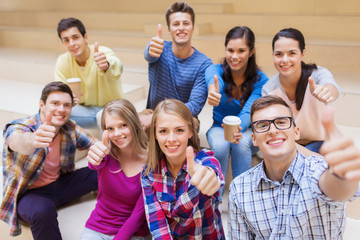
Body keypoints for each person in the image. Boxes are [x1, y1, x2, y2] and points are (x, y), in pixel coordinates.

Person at [228, 95, 360, 239]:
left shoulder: (317, 170)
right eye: (262, 125)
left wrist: (342, 175)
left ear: (296, 132)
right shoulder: (240, 188)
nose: (272, 130)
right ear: (254, 139)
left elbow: (337, 188)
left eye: (281, 122)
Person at [0, 82, 98, 239]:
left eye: (67, 105)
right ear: (42, 105)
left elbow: (95, 145)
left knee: (100, 172)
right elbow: (16, 140)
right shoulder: (22, 126)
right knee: (42, 210)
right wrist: (32, 140)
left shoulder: (68, 127)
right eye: (55, 103)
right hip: (29, 195)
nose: (61, 109)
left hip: (59, 185)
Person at [141, 99, 225, 239]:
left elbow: (212, 171)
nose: (171, 138)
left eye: (179, 130)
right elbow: (157, 225)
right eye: (163, 131)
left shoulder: (205, 160)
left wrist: (209, 175)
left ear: (191, 132)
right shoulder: (149, 173)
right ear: (155, 135)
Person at [262, 28, 340, 153]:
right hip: (289, 144)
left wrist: (326, 92)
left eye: (292, 53)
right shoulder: (269, 89)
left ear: (302, 54)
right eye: (279, 54)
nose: (285, 60)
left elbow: (331, 87)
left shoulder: (317, 75)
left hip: (322, 142)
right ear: (273, 55)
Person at [206, 26, 269, 181]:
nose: (234, 56)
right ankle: (216, 199)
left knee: (239, 144)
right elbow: (213, 80)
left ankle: (241, 199)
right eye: (230, 50)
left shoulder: (261, 80)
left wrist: (238, 127)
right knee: (221, 146)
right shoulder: (215, 69)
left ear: (251, 52)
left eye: (241, 51)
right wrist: (213, 90)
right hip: (218, 128)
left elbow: (249, 110)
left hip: (247, 130)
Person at [81, 99, 150, 240]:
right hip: (97, 227)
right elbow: (94, 163)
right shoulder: (104, 154)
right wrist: (94, 157)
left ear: (134, 124)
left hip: (133, 233)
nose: (117, 133)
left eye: (123, 125)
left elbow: (138, 216)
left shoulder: (150, 163)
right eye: (110, 128)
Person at [140, 1, 213, 131]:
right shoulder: (159, 49)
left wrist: (161, 116)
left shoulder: (204, 64)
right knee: (133, 123)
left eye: (186, 23)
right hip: (152, 111)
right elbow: (150, 54)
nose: (181, 28)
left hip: (183, 116)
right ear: (169, 29)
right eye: (175, 24)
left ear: (193, 28)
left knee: (192, 124)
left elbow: (194, 106)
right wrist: (150, 49)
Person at [55, 17, 123, 129]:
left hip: (113, 109)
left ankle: (107, 147)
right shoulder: (63, 61)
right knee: (53, 111)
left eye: (75, 37)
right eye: (66, 40)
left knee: (102, 115)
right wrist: (68, 98)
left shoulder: (102, 52)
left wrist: (106, 65)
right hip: (85, 112)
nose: (71, 43)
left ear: (85, 38)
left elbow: (117, 68)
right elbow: (59, 90)